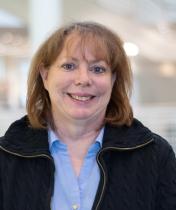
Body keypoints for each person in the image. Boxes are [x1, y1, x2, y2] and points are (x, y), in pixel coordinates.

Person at [0, 21, 176, 210]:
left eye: (98, 69)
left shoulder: (155, 156)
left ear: (113, 79)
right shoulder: (5, 157)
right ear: (45, 75)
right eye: (69, 66)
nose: (83, 79)